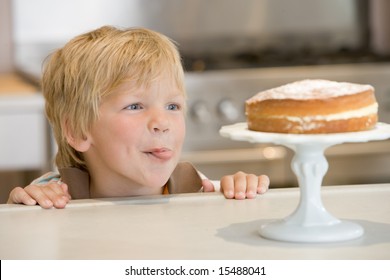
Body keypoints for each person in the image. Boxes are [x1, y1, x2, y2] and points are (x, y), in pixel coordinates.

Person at [7, 26, 269, 209]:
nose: (162, 122)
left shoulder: (197, 188)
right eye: (134, 106)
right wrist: (24, 207)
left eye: (173, 106)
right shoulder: (53, 194)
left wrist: (240, 192)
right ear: (78, 131)